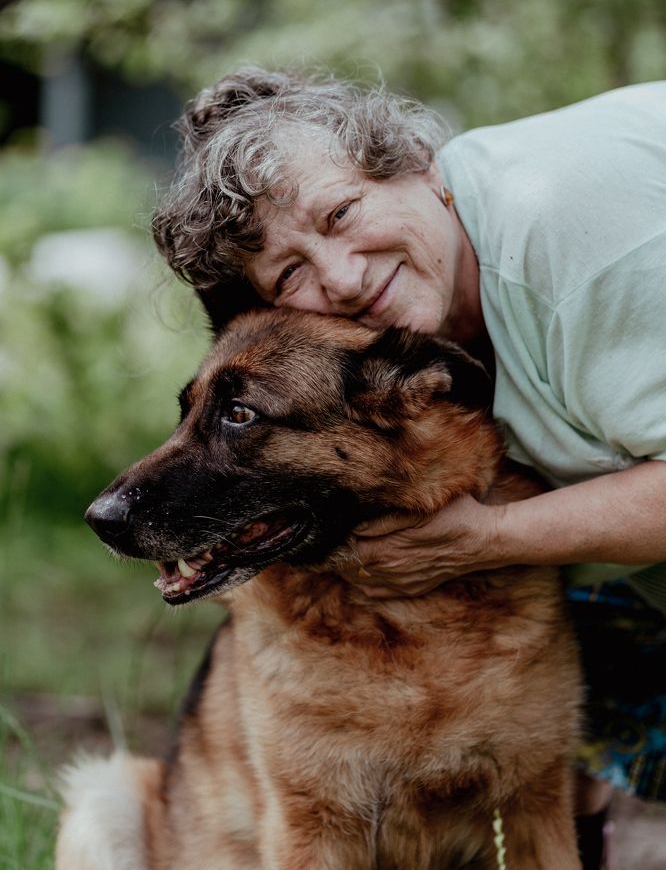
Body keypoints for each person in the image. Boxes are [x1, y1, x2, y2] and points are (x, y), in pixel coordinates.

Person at [152, 68, 666, 868]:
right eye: (290, 274)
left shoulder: (580, 234)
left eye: (341, 213)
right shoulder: (411, 324)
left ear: (422, 166)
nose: (342, 278)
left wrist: (491, 538)